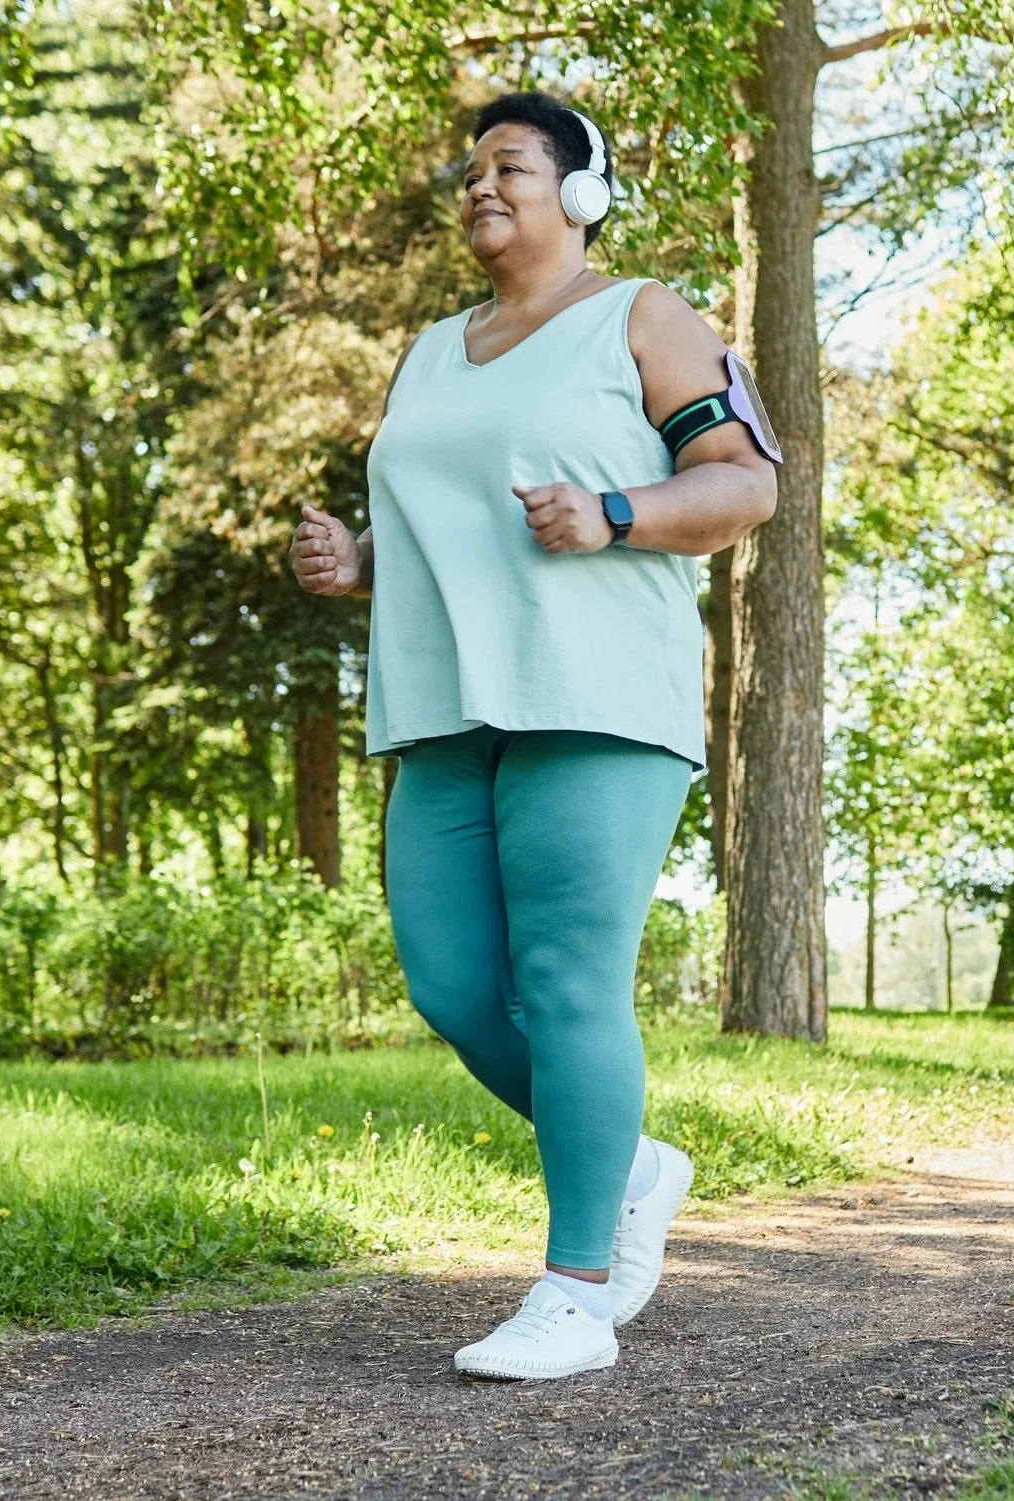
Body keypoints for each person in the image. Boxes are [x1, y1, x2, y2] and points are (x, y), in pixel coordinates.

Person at [289, 91, 778, 1380]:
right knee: (451, 984)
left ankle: (573, 1297)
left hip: (598, 692)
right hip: (445, 705)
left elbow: (746, 484)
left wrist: (614, 511)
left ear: (582, 191)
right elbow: (450, 520)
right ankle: (629, 1163)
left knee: (567, 981)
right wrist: (362, 558)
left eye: (510, 165)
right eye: (470, 171)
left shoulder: (643, 315)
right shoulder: (435, 349)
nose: (479, 186)